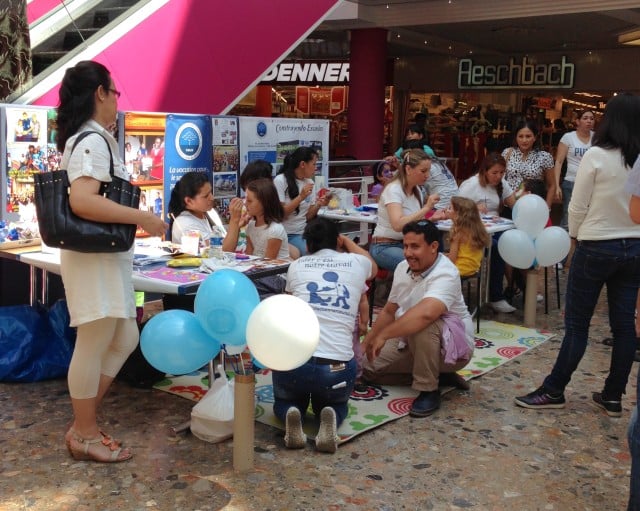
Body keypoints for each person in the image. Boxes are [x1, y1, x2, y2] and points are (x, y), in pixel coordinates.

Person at [56, 61, 167, 463]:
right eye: (115, 92)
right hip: (94, 258)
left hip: (103, 257)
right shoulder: (92, 140)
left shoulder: (92, 139)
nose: (118, 101)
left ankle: (82, 425)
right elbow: (82, 200)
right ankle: (85, 433)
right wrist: (142, 217)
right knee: (95, 340)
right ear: (100, 93)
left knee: (124, 337)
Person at [514, 93, 640, 423]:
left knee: (577, 325)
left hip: (596, 245)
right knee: (624, 327)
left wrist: (573, 243)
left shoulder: (597, 155)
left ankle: (554, 389)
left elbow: (578, 206)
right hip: (634, 248)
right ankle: (613, 395)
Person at [274, 217, 376, 453]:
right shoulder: (358, 262)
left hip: (295, 361)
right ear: (338, 240)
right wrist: (346, 242)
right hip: (336, 366)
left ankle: (291, 411)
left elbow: (289, 306)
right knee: (336, 402)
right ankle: (330, 414)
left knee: (286, 399)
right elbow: (374, 266)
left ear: (307, 244)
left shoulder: (296, 266)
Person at [362, 220, 474, 418]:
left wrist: (385, 335)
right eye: (405, 246)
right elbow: (389, 311)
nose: (407, 253)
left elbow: (426, 314)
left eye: (415, 246)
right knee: (365, 369)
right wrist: (366, 344)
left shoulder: (447, 273)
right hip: (409, 338)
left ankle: (428, 389)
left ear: (433, 247)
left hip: (452, 348)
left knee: (423, 325)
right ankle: (440, 376)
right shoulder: (402, 267)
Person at [458, 152, 517, 312]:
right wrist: (474, 208)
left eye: (501, 172)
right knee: (496, 247)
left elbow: (514, 204)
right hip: (474, 230)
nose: (498, 176)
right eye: (494, 173)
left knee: (511, 242)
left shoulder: (501, 183)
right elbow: (456, 208)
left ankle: (518, 286)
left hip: (495, 227)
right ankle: (495, 296)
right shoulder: (471, 185)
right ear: (485, 171)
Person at [369, 148, 439, 272]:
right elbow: (398, 225)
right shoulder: (394, 189)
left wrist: (433, 219)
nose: (427, 175)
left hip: (407, 244)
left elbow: (415, 224)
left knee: (438, 261)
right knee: (421, 265)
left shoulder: (417, 190)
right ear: (408, 169)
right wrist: (426, 208)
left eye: (428, 171)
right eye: (423, 171)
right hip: (384, 246)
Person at [273, 147, 330, 256]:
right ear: (303, 164)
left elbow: (307, 216)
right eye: (314, 164)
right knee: (311, 254)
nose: (315, 168)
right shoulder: (280, 180)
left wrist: (319, 204)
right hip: (285, 234)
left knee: (329, 250)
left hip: (303, 233)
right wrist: (301, 197)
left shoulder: (309, 182)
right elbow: (281, 214)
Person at [553, 109, 595, 232]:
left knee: (588, 218)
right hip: (571, 182)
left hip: (592, 184)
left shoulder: (597, 138)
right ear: (577, 121)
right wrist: (557, 185)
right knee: (568, 217)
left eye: (591, 118)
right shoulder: (568, 137)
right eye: (585, 118)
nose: (589, 121)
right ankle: (564, 243)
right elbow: (559, 162)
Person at [502, 120, 555, 213]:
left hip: (533, 207)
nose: (524, 140)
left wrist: (547, 208)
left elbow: (551, 185)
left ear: (535, 137)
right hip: (508, 206)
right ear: (516, 137)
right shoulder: (507, 153)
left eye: (528, 136)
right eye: (520, 136)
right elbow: (501, 180)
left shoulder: (544, 157)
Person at [244, 178, 290, 260]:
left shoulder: (275, 229)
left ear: (264, 203)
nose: (245, 203)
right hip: (257, 264)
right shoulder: (251, 225)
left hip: (274, 267)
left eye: (249, 201)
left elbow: (269, 261)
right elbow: (249, 254)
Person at [445, 196, 491, 278]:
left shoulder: (458, 232)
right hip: (473, 268)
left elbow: (452, 260)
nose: (446, 210)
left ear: (458, 214)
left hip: (458, 269)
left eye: (450, 208)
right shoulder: (476, 229)